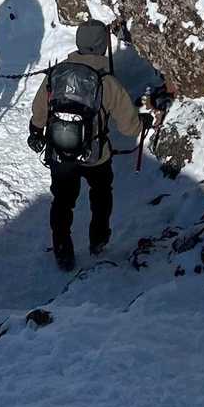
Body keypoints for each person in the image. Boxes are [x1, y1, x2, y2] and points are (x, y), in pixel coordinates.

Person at [28, 21, 147, 270]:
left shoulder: (57, 74)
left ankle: (63, 251)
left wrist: (36, 131)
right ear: (102, 46)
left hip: (60, 151)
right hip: (96, 154)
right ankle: (98, 240)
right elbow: (130, 128)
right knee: (101, 195)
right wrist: (142, 122)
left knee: (62, 201)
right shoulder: (106, 82)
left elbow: (39, 110)